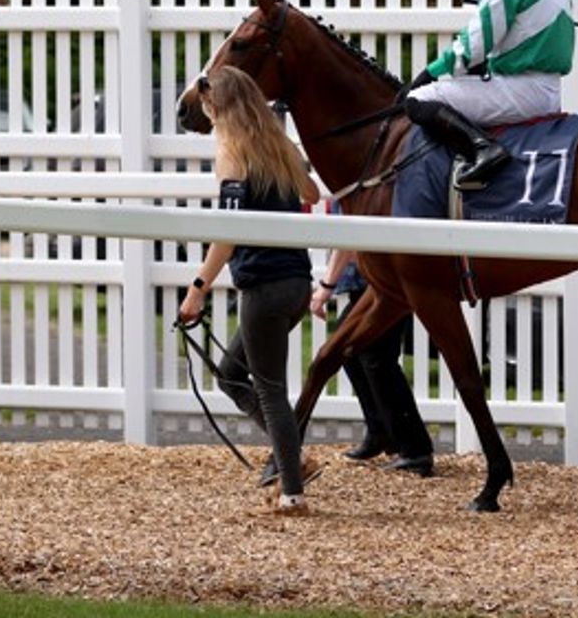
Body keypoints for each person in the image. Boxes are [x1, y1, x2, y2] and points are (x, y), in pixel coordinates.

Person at [176, 65, 323, 515]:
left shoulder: (232, 156)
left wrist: (198, 288)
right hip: (297, 280)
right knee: (230, 373)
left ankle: (293, 490)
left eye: (206, 106)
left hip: (262, 284)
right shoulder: (281, 147)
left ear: (216, 105)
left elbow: (228, 233)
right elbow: (313, 194)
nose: (206, 115)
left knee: (270, 389)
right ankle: (290, 456)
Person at [405, 0, 573, 190]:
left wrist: (428, 74)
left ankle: (484, 149)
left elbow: (473, 47)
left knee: (419, 100)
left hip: (523, 92)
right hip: (546, 89)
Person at [312, 249, 434, 476]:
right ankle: (382, 431)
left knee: (375, 357)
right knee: (351, 350)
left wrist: (326, 287)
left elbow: (348, 238)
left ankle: (415, 450)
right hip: (375, 282)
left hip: (383, 283)